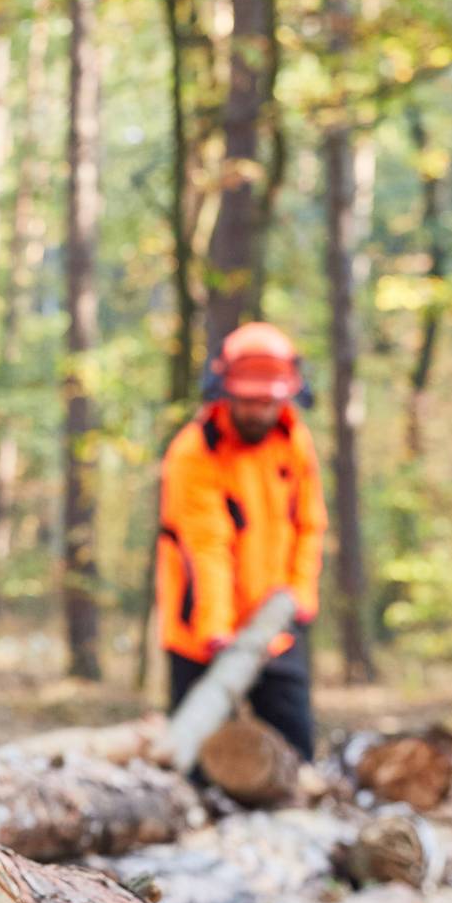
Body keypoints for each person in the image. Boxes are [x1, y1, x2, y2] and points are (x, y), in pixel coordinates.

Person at [153, 321, 328, 759]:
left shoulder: (295, 442)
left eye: (267, 403)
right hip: (201, 633)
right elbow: (205, 544)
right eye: (247, 402)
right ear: (225, 391)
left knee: (295, 752)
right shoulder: (195, 452)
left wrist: (300, 593)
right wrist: (215, 628)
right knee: (195, 760)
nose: (257, 413)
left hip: (275, 627)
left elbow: (309, 523)